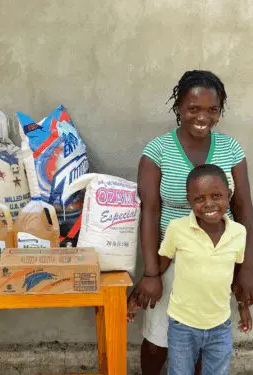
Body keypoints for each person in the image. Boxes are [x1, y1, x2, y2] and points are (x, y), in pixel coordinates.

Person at [129, 70, 253, 375]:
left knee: (206, 336)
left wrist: (246, 269)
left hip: (218, 259)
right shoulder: (157, 151)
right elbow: (150, 211)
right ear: (179, 109)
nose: (203, 117)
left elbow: (245, 210)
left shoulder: (231, 149)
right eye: (193, 109)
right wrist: (151, 273)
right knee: (159, 338)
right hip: (171, 258)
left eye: (213, 110)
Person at [129, 164, 252, 374]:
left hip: (220, 326)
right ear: (189, 201)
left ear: (229, 195)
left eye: (216, 196)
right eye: (199, 199)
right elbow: (163, 260)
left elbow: (233, 274)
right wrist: (140, 291)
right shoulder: (177, 229)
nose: (209, 204)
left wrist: (242, 306)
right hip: (182, 326)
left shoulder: (239, 233)